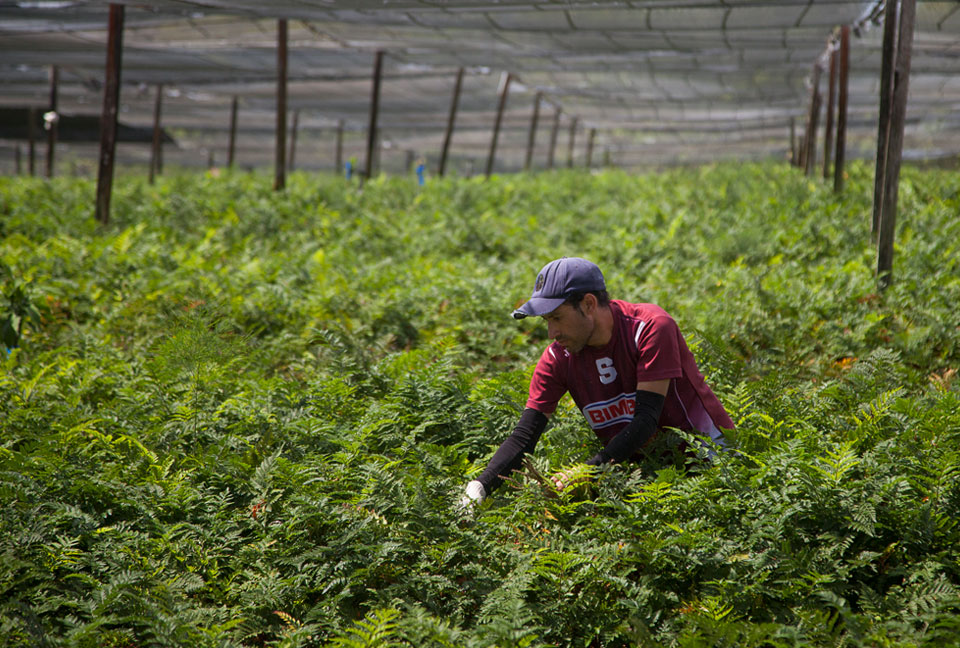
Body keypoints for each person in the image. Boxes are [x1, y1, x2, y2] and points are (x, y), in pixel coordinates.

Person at [461, 257, 733, 509]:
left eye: (556, 317)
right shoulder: (557, 357)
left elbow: (647, 419)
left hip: (713, 465)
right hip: (638, 479)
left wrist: (588, 471)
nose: (551, 332)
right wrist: (479, 488)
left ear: (589, 304)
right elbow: (524, 437)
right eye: (546, 321)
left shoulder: (649, 328)